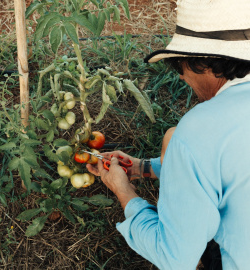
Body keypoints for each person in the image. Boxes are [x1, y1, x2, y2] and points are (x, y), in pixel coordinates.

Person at [86, 0, 250, 269]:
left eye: (179, 66)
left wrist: (123, 190)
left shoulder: (200, 129)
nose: (182, 78)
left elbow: (175, 259)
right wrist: (143, 168)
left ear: (203, 62)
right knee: (172, 139)